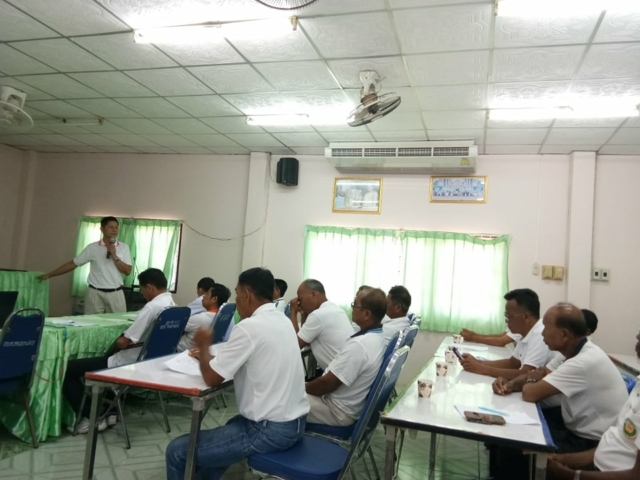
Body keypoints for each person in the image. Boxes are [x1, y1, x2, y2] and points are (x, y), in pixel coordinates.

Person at [165, 267, 308, 480]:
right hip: (295, 423)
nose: (236, 300)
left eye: (237, 293)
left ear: (247, 294)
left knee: (177, 451)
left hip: (268, 431)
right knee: (231, 426)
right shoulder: (283, 320)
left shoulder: (250, 326)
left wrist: (203, 347)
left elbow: (212, 378)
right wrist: (209, 357)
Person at [490, 304, 628, 479]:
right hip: (574, 429)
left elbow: (530, 393)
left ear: (564, 335)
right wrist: (510, 384)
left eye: (546, 328)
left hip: (589, 444)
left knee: (511, 449)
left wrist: (530, 379)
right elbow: (539, 374)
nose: (542, 333)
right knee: (505, 434)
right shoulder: (571, 352)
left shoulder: (583, 361)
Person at [62, 268, 175, 433]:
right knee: (107, 359)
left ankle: (91, 417)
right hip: (152, 362)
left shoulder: (152, 307)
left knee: (68, 370)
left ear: (150, 287)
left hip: (130, 364)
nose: (143, 294)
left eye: (142, 290)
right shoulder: (172, 306)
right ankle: (111, 412)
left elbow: (123, 342)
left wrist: (116, 341)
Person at [305, 288, 386, 426]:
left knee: (280, 398)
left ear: (367, 314)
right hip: (344, 405)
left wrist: (301, 388)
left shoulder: (359, 345)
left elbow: (326, 385)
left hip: (335, 410)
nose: (352, 308)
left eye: (355, 304)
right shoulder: (377, 337)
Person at [545, 380, 640, 479]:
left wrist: (568, 474)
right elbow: (612, 445)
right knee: (540, 459)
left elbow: (636, 476)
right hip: (597, 468)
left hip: (604, 472)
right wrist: (564, 459)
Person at [37, 216, 132, 314]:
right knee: (91, 322)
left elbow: (127, 271)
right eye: (111, 227)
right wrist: (50, 274)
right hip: (95, 292)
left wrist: (115, 256)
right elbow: (73, 263)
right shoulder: (92, 247)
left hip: (116, 293)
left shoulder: (124, 247)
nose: (114, 230)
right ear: (102, 229)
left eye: (116, 227)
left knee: (118, 321)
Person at [460, 288, 551, 379]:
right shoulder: (525, 332)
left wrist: (482, 369)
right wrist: (477, 362)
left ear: (526, 317)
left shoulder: (541, 334)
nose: (507, 321)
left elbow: (525, 374)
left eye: (509, 316)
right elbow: (512, 363)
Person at [289, 279, 354, 371]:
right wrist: (304, 313)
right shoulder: (336, 309)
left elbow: (295, 344)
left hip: (339, 375)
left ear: (313, 294)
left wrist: (293, 311)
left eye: (301, 299)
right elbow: (306, 338)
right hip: (347, 371)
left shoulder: (318, 315)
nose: (300, 303)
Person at [178, 283, 230, 352]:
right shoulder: (221, 317)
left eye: (207, 294)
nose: (203, 296)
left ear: (214, 299)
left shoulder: (199, 318)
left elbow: (175, 329)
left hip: (179, 352)